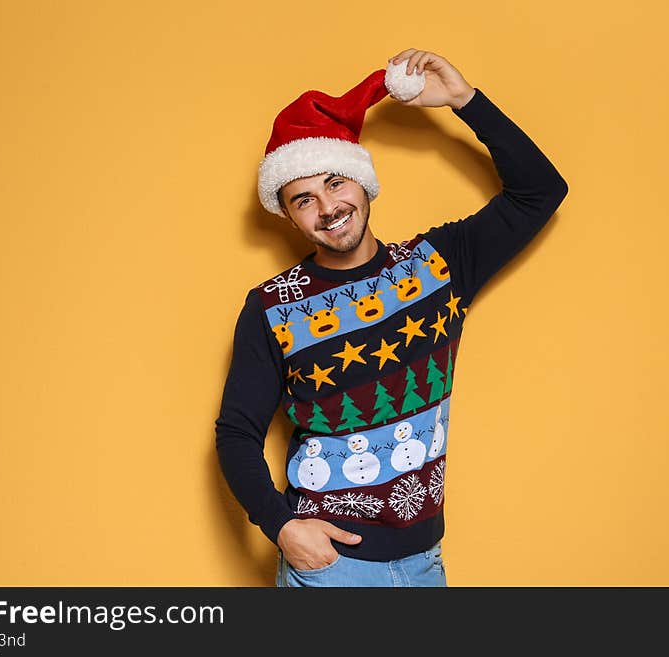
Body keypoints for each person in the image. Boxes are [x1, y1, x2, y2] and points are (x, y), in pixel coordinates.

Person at [215, 48, 568, 587]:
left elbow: (540, 192)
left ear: (363, 182)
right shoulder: (272, 305)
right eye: (302, 198)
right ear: (287, 215)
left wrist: (465, 102)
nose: (327, 207)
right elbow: (236, 432)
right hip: (330, 572)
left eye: (336, 183)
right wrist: (281, 525)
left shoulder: (436, 265)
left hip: (426, 562)